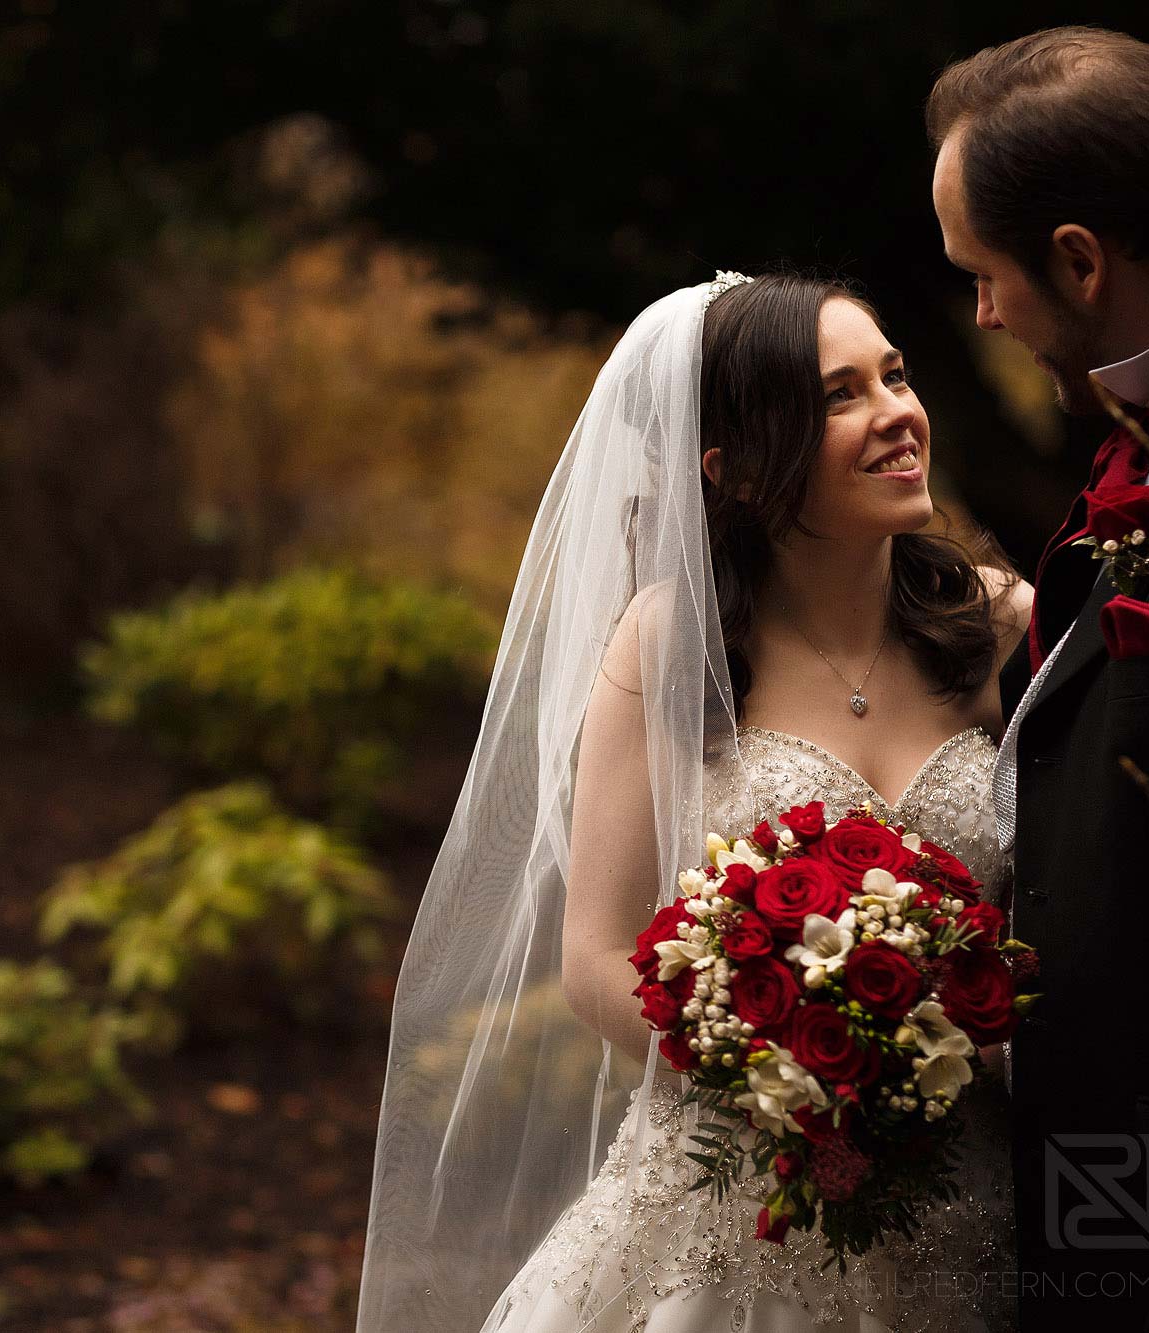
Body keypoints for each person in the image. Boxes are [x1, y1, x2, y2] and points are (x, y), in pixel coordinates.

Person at [354, 270, 1031, 1333]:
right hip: (736, 1200)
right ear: (734, 468)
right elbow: (594, 960)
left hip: (973, 1195)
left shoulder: (1001, 628)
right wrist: (789, 1069)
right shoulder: (665, 648)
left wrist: (931, 1064)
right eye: (838, 396)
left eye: (892, 375)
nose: (897, 413)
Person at [929, 27, 1149, 1332]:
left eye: (985, 276)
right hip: (1104, 1175)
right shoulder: (1135, 462)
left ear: (1079, 262)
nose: (983, 312)